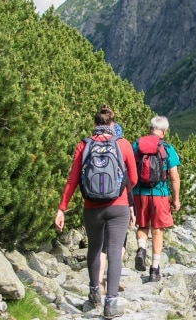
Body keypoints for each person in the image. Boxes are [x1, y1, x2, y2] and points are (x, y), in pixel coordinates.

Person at [55, 105, 137, 318]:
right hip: (118, 207)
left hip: (92, 207)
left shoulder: (84, 145)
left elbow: (73, 179)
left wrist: (61, 208)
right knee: (114, 252)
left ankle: (93, 293)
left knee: (94, 249)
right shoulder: (123, 144)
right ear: (112, 124)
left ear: (94, 124)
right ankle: (111, 303)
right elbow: (134, 179)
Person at [132, 116, 181, 282]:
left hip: (139, 193)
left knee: (143, 225)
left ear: (149, 128)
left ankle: (141, 248)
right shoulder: (167, 148)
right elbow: (174, 177)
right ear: (164, 131)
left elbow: (128, 169)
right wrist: (176, 199)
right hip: (160, 193)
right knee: (158, 230)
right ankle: (154, 269)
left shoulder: (137, 145)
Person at [99, 122, 131, 292]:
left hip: (94, 203)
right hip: (119, 204)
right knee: (118, 245)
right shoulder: (123, 148)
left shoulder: (90, 145)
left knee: (100, 245)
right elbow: (131, 180)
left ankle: (97, 284)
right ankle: (112, 283)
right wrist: (131, 208)